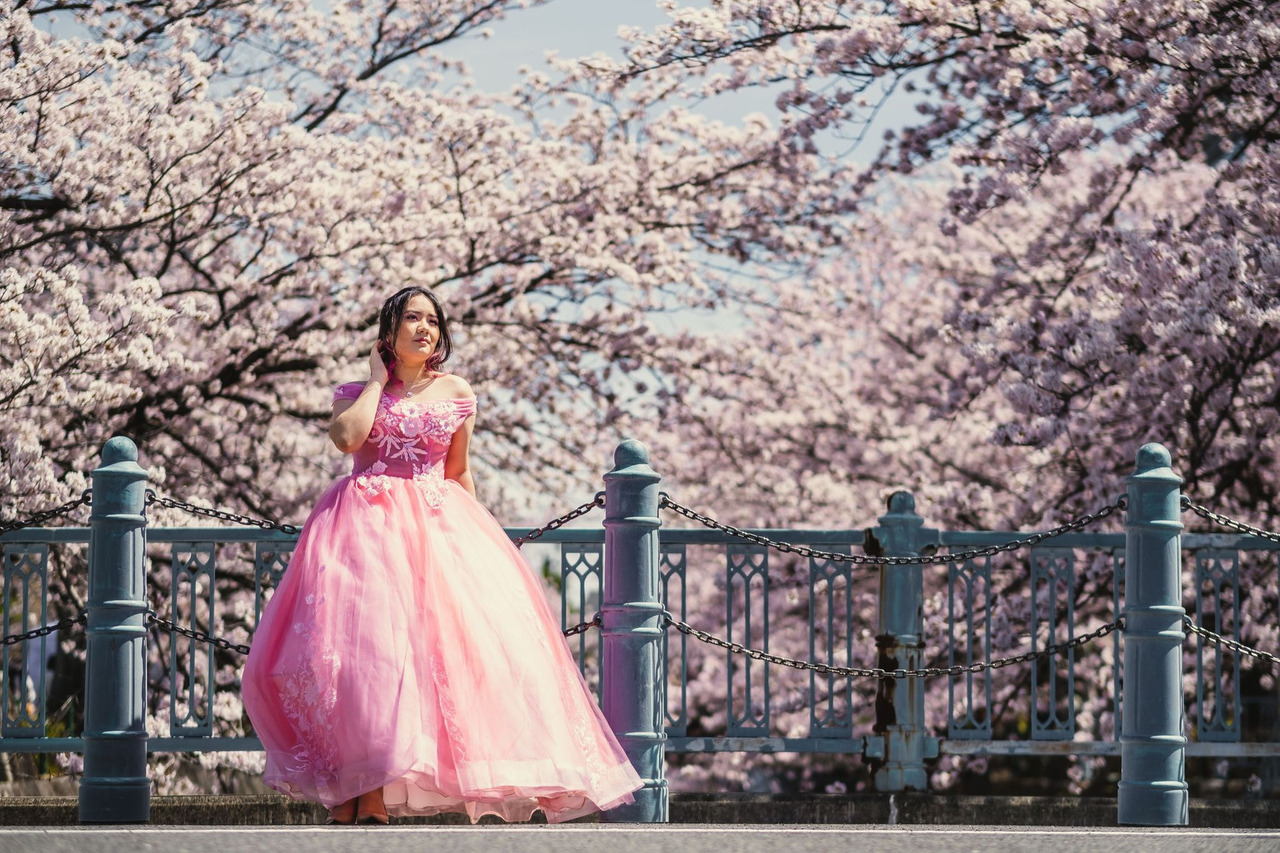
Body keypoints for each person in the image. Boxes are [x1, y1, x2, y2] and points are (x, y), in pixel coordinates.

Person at [242, 286, 643, 824]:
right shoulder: (357, 390)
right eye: (412, 318)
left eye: (432, 320)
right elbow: (346, 439)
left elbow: (458, 471)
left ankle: (371, 795)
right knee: (366, 661)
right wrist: (378, 382)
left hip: (436, 527)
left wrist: (480, 549)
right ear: (389, 330)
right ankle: (361, 791)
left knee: (425, 658)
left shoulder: (455, 391)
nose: (424, 328)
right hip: (363, 530)